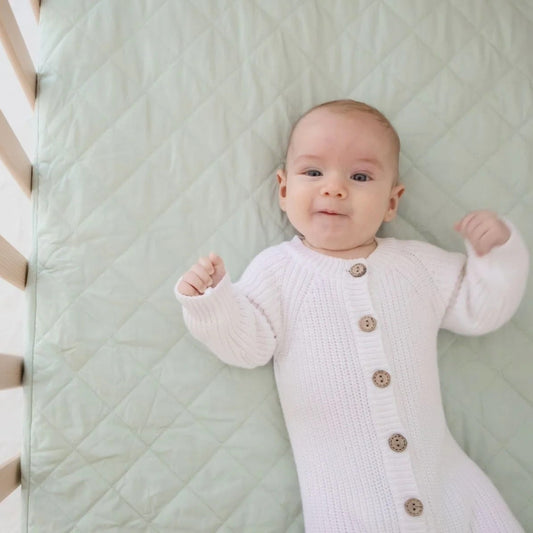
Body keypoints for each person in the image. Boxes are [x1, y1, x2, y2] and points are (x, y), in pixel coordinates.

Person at [175, 100, 529, 532]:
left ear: (392, 201)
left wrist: (498, 255)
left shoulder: (417, 265)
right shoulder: (278, 271)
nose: (335, 188)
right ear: (283, 190)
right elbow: (248, 345)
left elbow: (479, 308)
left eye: (360, 177)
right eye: (313, 172)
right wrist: (211, 302)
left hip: (449, 488)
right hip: (348, 508)